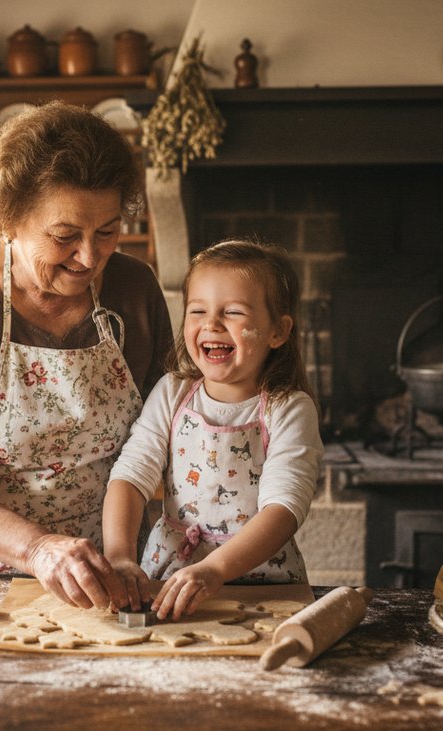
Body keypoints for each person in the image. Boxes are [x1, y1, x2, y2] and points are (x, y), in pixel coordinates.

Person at [0, 101, 173, 610]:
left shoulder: (135, 289)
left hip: (106, 578)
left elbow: (167, 437)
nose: (89, 258)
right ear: (9, 221)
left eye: (108, 232)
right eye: (65, 236)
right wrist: (39, 548)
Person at [102, 240, 322, 620]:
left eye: (233, 312)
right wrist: (119, 557)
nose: (212, 323)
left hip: (262, 586)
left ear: (278, 331)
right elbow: (131, 476)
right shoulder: (171, 392)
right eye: (198, 310)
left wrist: (216, 569)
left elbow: (284, 508)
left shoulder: (289, 408)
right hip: (167, 580)